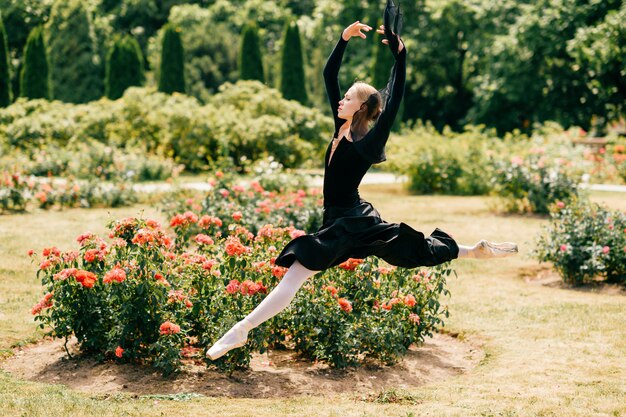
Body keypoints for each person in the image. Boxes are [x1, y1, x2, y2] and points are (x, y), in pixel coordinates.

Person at [207, 5, 517, 361]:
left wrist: (401, 57)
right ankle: (471, 249)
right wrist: (342, 39)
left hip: (352, 221)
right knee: (397, 249)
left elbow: (396, 98)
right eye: (344, 97)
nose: (341, 99)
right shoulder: (340, 125)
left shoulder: (367, 142)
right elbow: (328, 75)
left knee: (312, 269)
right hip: (339, 219)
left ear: (361, 107)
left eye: (349, 97)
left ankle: (240, 330)